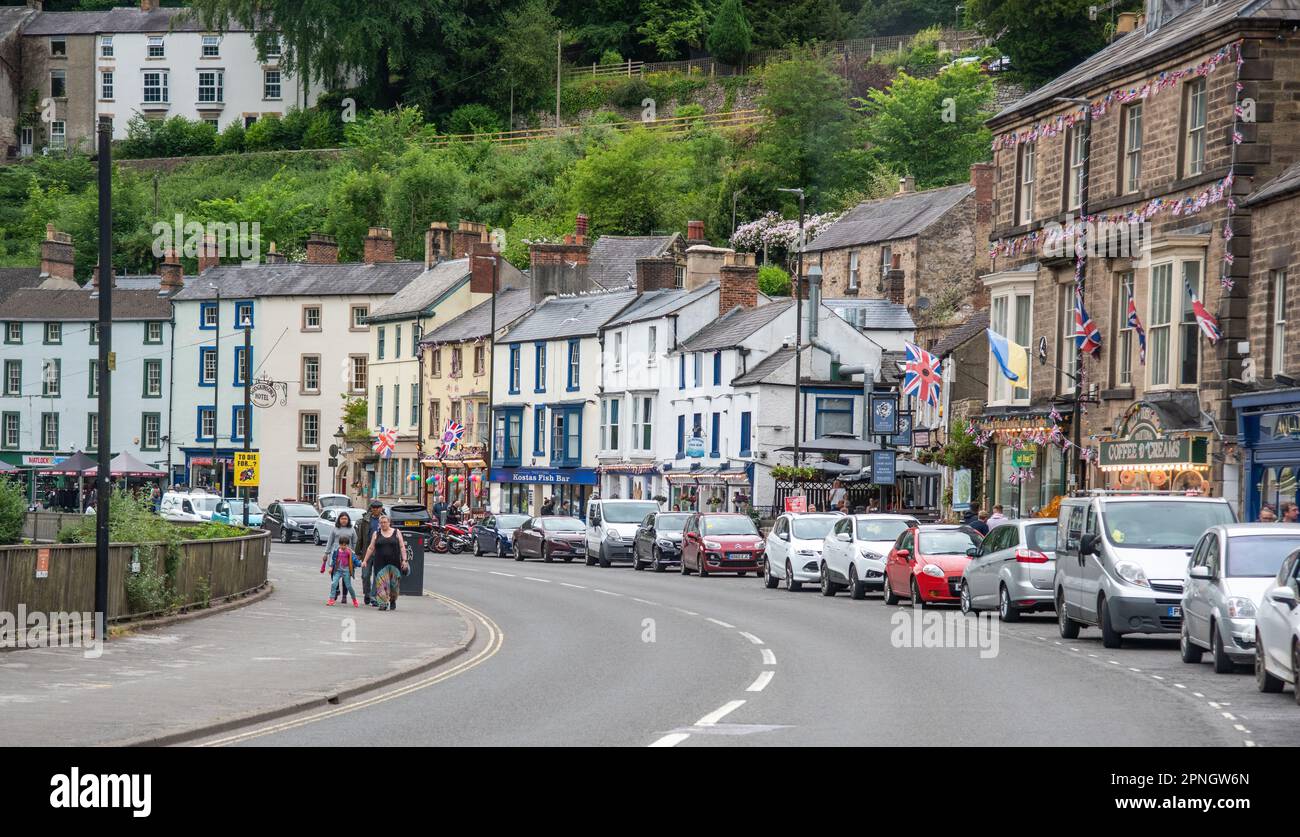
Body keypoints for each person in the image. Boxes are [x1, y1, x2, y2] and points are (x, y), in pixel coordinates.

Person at [362, 515, 408, 612]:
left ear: (389, 522)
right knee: (381, 584)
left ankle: (392, 600)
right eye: (381, 522)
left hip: (394, 563)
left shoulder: (396, 532)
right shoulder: (376, 533)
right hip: (380, 563)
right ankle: (383, 603)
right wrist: (365, 560)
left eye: (385, 522)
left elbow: (402, 547)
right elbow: (371, 548)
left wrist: (404, 560)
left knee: (394, 586)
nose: (383, 524)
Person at [323, 511, 358, 605]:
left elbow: (355, 542)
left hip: (348, 554)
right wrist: (326, 553)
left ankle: (344, 596)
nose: (344, 520)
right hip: (336, 552)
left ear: (348, 520)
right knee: (334, 573)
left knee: (346, 577)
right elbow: (329, 541)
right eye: (342, 518)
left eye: (345, 519)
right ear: (339, 519)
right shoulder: (335, 529)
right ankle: (336, 590)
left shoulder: (352, 529)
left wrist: (355, 554)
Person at [356, 500, 384, 606]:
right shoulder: (365, 520)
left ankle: (374, 597)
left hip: (380, 553)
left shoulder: (385, 520)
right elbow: (360, 538)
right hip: (366, 552)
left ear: (381, 508)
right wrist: (358, 552)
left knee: (377, 576)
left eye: (378, 507)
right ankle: (367, 594)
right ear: (371, 509)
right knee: (365, 575)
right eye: (374, 508)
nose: (376, 509)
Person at [326, 536, 360, 607]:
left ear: (347, 545)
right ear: (339, 544)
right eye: (341, 545)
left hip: (346, 571)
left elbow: (354, 560)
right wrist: (331, 568)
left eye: (345, 545)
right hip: (338, 570)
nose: (343, 546)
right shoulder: (337, 551)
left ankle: (354, 600)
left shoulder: (349, 552)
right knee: (334, 583)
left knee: (349, 586)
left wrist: (360, 564)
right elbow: (334, 560)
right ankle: (331, 599)